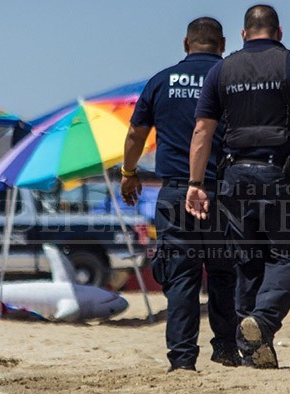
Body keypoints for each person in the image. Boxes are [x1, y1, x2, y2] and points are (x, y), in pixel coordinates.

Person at [185, 5, 290, 369]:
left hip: (233, 178)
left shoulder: (223, 68)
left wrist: (195, 183)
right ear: (278, 33)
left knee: (248, 262)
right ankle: (263, 321)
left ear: (242, 34)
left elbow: (203, 131)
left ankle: (253, 351)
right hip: (279, 176)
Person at [121, 17, 239, 372]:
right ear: (222, 44)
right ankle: (228, 349)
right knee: (224, 272)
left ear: (186, 44)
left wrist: (128, 173)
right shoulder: (231, 77)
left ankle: (184, 360)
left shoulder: (160, 81)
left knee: (182, 275)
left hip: (175, 191)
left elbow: (135, 135)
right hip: (222, 189)